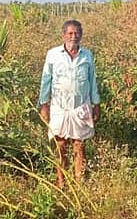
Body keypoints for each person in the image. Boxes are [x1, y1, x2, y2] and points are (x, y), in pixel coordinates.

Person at [38, 19, 101, 187]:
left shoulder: (87, 55)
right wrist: (44, 104)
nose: (74, 36)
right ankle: (61, 183)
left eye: (77, 33)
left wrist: (96, 104)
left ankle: (80, 183)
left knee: (79, 145)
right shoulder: (53, 54)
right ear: (63, 35)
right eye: (70, 33)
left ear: (81, 35)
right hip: (59, 107)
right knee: (61, 145)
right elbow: (46, 80)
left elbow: (92, 80)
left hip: (81, 107)